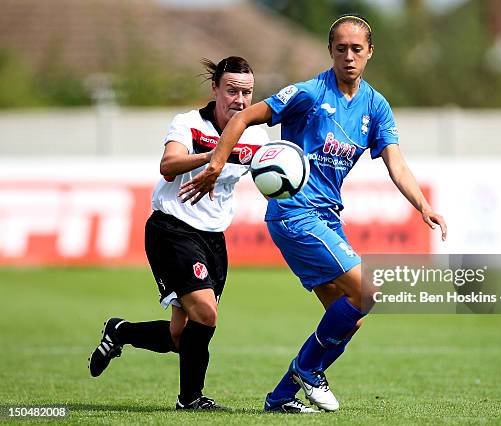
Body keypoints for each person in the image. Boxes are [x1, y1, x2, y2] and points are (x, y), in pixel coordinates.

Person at [179, 14, 447, 413]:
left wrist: (423, 204)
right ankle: (308, 370)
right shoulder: (307, 93)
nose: (349, 56)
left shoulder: (376, 106)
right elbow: (242, 117)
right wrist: (216, 163)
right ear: (330, 51)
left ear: (370, 52)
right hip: (293, 211)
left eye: (357, 49)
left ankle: (281, 397)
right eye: (341, 48)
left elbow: (396, 163)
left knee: (348, 317)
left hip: (326, 217)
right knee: (368, 291)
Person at [87, 56, 273, 411]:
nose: (239, 99)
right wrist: (214, 157)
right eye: (231, 90)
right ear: (215, 88)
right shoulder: (188, 124)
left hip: (213, 239)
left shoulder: (256, 137)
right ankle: (190, 399)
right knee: (207, 313)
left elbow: (270, 177)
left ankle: (120, 331)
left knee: (179, 337)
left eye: (246, 93)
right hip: (172, 229)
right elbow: (168, 165)